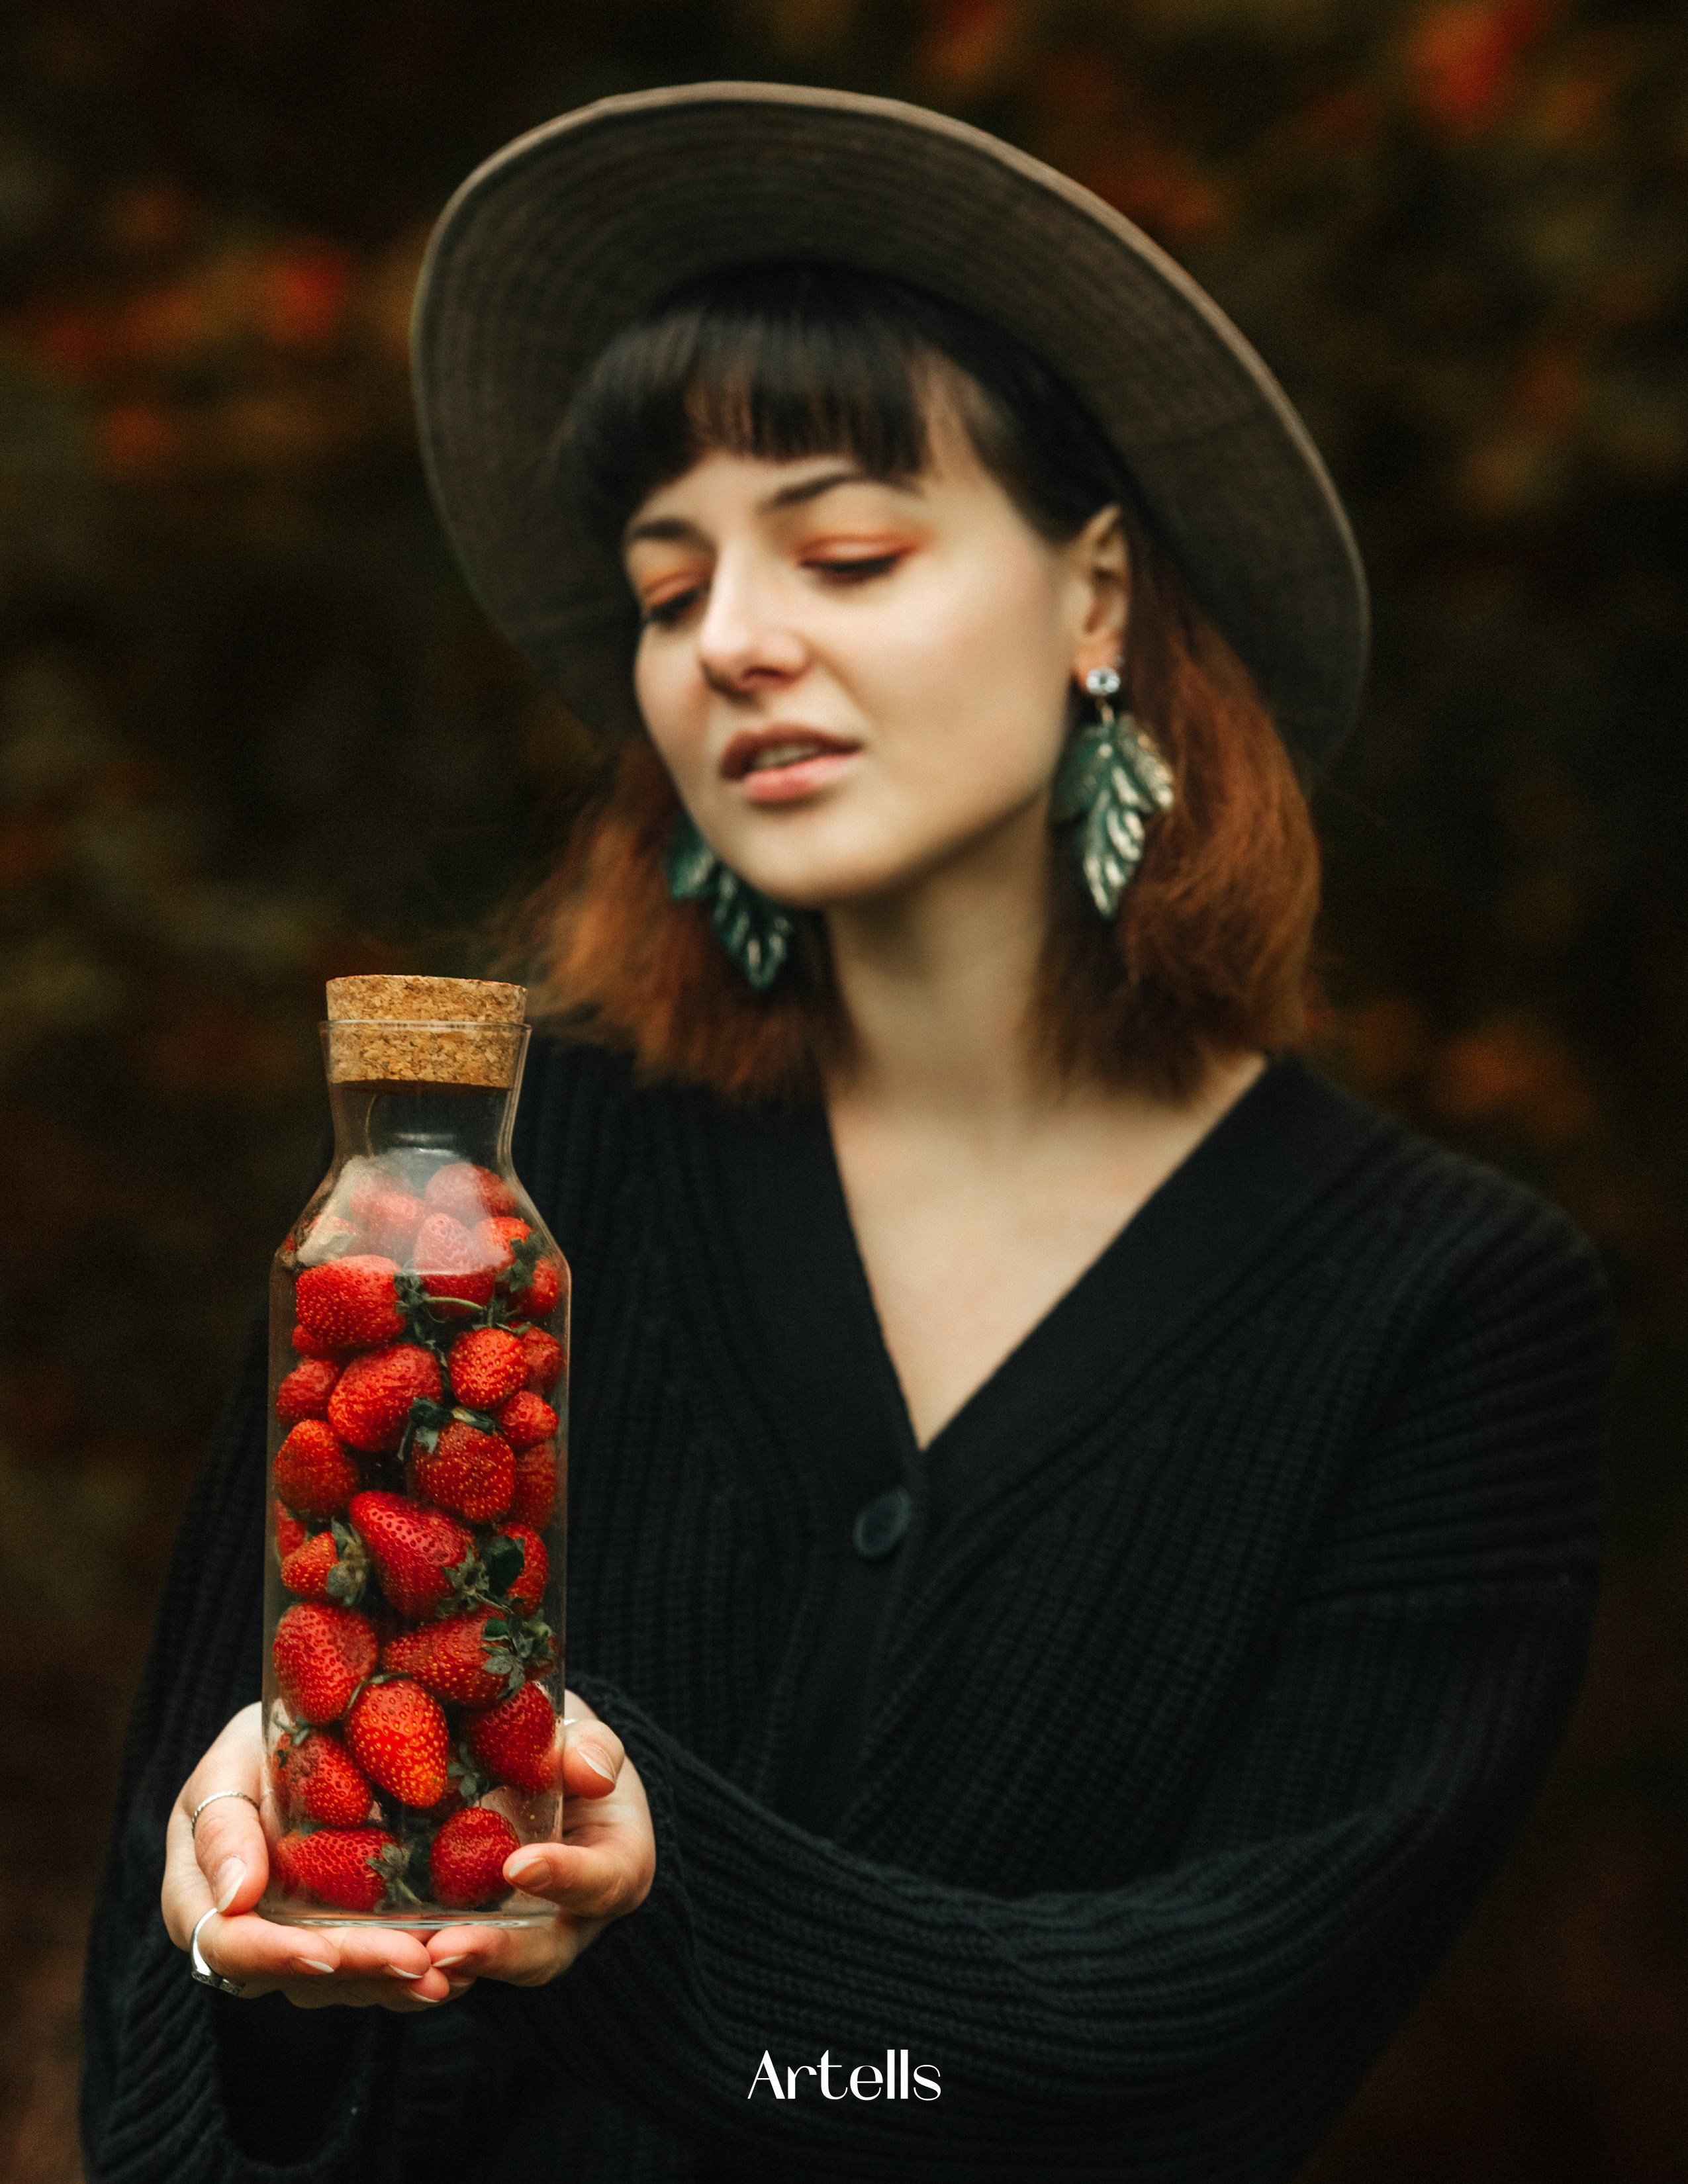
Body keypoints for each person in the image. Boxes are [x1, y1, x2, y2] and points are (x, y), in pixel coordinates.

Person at [81, 84, 1610, 2184]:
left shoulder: (1441, 1307)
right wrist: (253, 1941)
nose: (729, 642)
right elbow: (168, 2049)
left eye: (850, 549)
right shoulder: (482, 1191)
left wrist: (670, 1913)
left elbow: (1219, 2044)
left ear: (1099, 601)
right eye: (663, 579)